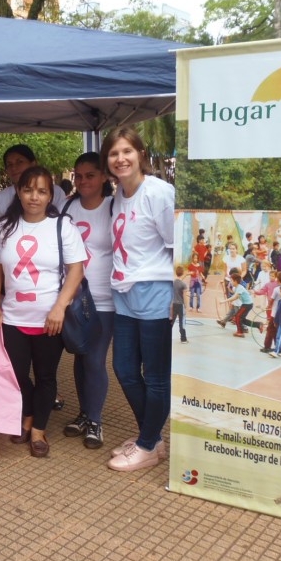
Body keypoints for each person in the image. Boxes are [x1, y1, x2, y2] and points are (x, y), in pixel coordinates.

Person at [0, 166, 86, 458]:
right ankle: (27, 415)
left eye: (42, 191)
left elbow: (76, 271)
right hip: (12, 317)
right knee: (16, 374)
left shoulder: (62, 227)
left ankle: (39, 429)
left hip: (49, 319)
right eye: (28, 190)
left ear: (50, 195)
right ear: (18, 192)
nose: (34, 197)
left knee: (46, 376)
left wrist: (59, 307)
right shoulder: (4, 228)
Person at [101, 126, 175, 473]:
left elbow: (178, 246)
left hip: (155, 292)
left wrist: (178, 297)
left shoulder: (158, 192)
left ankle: (147, 444)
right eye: (114, 153)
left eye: (127, 151)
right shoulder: (119, 194)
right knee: (125, 369)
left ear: (140, 154)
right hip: (124, 293)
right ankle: (152, 438)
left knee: (155, 376)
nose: (121, 159)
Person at [61, 152, 115, 450]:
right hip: (73, 297)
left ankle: (95, 420)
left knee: (94, 359)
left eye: (90, 175)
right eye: (78, 176)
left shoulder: (113, 207)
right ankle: (84, 414)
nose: (83, 181)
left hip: (103, 298)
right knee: (80, 357)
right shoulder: (67, 207)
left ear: (104, 176)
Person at [0, 144, 65, 231]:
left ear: (33, 164)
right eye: (9, 164)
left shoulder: (57, 192)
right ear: (19, 194)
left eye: (20, 162)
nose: (14, 168)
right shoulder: (0, 199)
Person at [172, 266, 188, 343]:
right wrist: (186, 306)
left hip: (174, 304)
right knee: (182, 322)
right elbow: (185, 296)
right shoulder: (183, 284)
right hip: (180, 305)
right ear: (182, 273)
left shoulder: (173, 283)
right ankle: (183, 339)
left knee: (171, 321)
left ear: (176, 273)